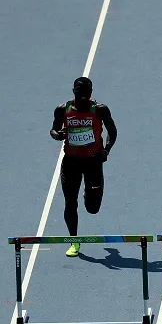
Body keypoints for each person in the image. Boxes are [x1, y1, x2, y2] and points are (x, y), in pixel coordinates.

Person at [50, 77, 116, 257]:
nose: (83, 97)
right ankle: (74, 241)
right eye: (80, 93)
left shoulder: (100, 110)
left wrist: (106, 150)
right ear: (74, 91)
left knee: (93, 208)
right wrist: (58, 135)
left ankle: (90, 192)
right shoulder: (63, 109)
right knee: (70, 202)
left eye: (86, 94)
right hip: (71, 162)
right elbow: (53, 130)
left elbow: (112, 132)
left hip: (93, 162)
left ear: (91, 93)